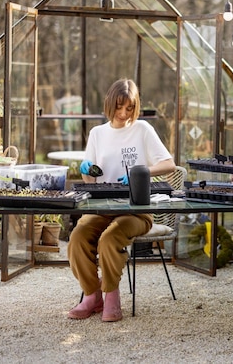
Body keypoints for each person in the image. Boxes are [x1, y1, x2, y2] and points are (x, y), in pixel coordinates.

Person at [67, 78, 175, 322]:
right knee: (77, 238)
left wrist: (141, 172)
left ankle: (112, 296)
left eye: (129, 108)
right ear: (109, 104)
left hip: (136, 211)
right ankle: (92, 296)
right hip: (102, 207)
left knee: (109, 238)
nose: (123, 113)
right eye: (119, 107)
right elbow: (91, 180)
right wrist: (86, 169)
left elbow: (168, 164)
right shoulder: (97, 133)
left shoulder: (143, 130)